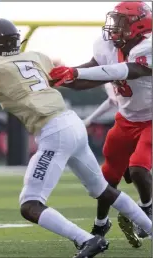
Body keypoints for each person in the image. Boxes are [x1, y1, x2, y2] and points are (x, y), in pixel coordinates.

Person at [0, 17, 152, 258]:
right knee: (103, 189)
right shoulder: (35, 58)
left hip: (53, 131)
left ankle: (86, 239)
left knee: (29, 204)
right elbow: (56, 78)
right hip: (71, 122)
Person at [49, 1, 152, 248]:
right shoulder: (105, 44)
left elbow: (123, 71)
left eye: (121, 23)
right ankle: (101, 222)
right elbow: (90, 75)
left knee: (138, 167)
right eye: (114, 21)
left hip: (151, 118)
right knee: (105, 178)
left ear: (139, 25)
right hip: (127, 119)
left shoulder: (148, 46)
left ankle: (147, 210)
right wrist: (58, 78)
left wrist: (76, 73)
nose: (114, 27)